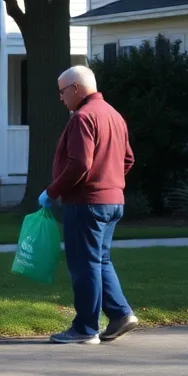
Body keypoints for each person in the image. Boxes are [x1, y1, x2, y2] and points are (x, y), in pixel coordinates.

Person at [41, 65, 138, 345]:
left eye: (62, 92)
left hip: (87, 203)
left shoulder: (82, 117)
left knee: (84, 264)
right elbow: (127, 159)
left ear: (75, 88)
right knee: (100, 260)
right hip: (113, 201)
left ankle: (85, 327)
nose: (61, 98)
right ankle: (120, 314)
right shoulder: (113, 114)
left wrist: (52, 190)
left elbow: (80, 164)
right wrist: (109, 181)